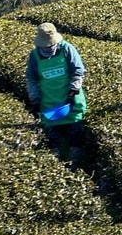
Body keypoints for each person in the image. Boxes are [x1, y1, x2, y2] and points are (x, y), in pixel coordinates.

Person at [25, 22, 88, 166]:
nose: (48, 48)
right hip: (49, 105)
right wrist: (34, 100)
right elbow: (32, 80)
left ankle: (75, 164)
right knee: (53, 140)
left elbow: (78, 73)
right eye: (45, 46)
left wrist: (72, 93)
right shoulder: (34, 56)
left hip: (71, 103)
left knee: (76, 136)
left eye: (50, 45)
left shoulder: (67, 49)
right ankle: (56, 166)